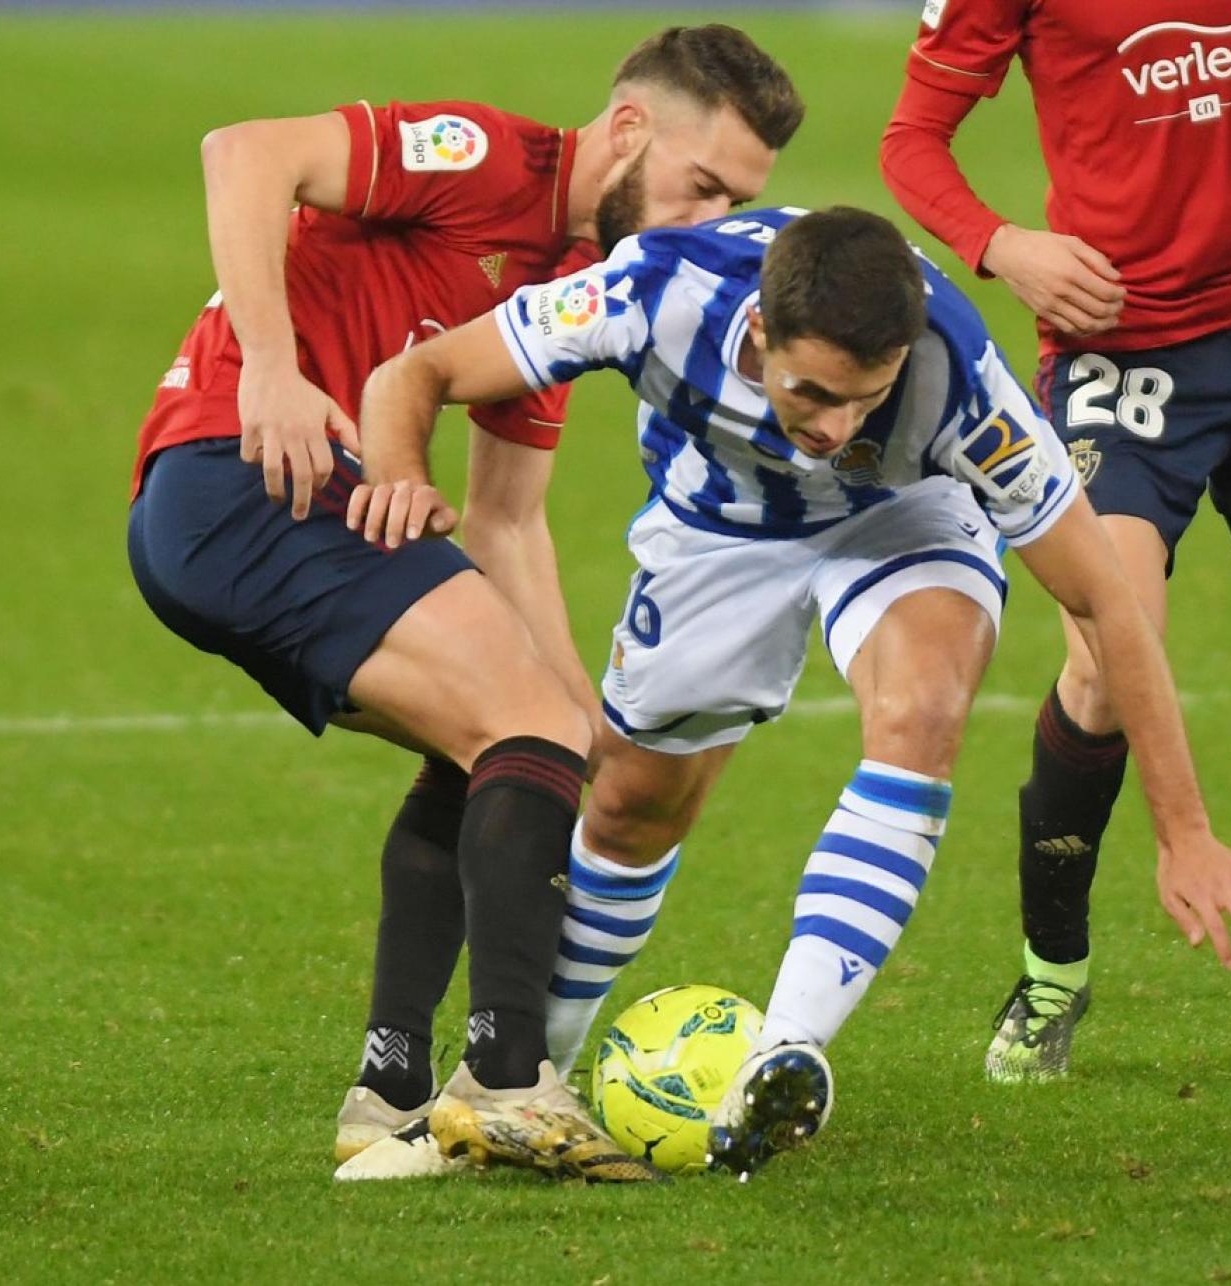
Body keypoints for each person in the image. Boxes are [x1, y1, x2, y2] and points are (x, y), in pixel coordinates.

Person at [352, 205, 1231, 1180]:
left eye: (865, 395)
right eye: (810, 390)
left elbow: (1108, 600)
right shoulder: (655, 289)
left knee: (921, 711)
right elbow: (415, 374)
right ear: (759, 333)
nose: (835, 425)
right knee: (633, 807)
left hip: (903, 519)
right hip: (719, 526)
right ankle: (507, 1092)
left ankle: (788, 1048)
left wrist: (1186, 830)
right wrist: (394, 478)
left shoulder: (961, 387)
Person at [124, 25, 801, 1180]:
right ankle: (506, 1078)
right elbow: (242, 151)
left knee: (509, 747)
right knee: (522, 726)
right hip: (242, 473)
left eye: (738, 201)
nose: (712, 223)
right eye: (705, 185)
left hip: (258, 509)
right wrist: (275, 369)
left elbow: (508, 523)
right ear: (630, 129)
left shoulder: (577, 296)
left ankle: (387, 1094)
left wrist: (592, 719)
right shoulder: (489, 162)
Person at [879, 0, 1231, 1079]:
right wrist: (1003, 246)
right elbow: (911, 140)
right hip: (1121, 345)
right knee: (1102, 663)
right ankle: (1051, 978)